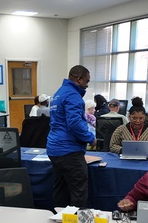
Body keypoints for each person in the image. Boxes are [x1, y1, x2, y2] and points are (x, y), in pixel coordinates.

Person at [47, 65, 97, 208]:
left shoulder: (59, 93)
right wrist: (90, 138)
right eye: (87, 81)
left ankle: (59, 218)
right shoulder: (73, 95)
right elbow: (75, 123)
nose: (87, 86)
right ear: (79, 79)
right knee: (79, 192)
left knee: (61, 190)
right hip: (68, 150)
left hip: (54, 149)